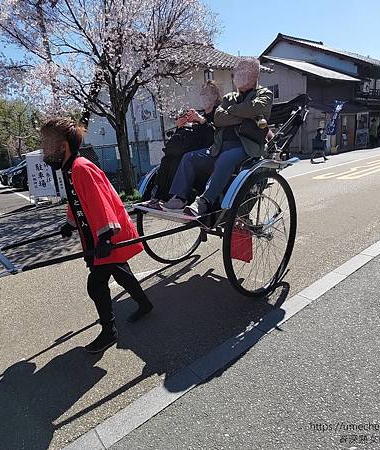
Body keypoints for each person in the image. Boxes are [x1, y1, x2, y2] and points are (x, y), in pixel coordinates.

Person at [40, 118, 153, 354]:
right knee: (121, 273)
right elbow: (78, 201)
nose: (45, 149)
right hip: (99, 235)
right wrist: (70, 224)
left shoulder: (81, 167)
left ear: (63, 146)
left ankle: (109, 332)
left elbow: (102, 203)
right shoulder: (71, 168)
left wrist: (105, 237)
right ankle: (144, 304)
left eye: (48, 143)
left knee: (96, 285)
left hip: (108, 234)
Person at [162, 57, 273, 216]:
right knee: (189, 157)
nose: (240, 74)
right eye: (238, 71)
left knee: (225, 159)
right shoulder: (229, 98)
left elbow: (257, 107)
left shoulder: (264, 94)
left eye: (245, 71)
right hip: (219, 146)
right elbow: (219, 118)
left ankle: (204, 201)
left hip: (246, 146)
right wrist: (246, 114)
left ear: (255, 74)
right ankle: (179, 198)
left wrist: (234, 112)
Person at [145, 81, 221, 207]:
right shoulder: (201, 114)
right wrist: (181, 126)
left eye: (206, 93)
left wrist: (201, 121)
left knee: (182, 158)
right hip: (196, 148)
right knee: (168, 158)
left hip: (212, 150)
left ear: (214, 96)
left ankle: (177, 198)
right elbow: (192, 135)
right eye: (201, 93)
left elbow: (214, 135)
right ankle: (158, 196)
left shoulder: (219, 113)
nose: (202, 96)